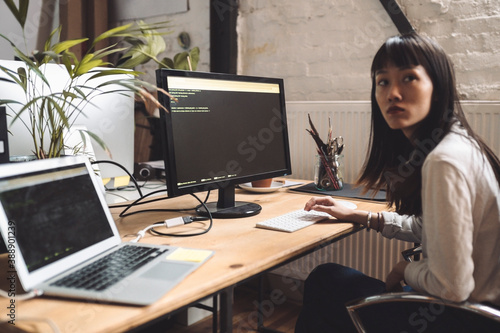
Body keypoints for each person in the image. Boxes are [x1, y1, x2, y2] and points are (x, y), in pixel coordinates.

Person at [295, 32, 500, 332]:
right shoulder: (458, 143)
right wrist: (363, 215)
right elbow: (432, 229)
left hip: (463, 318)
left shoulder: (444, 161)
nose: (392, 93)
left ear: (438, 89)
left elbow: (452, 287)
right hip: (473, 311)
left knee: (325, 281)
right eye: (383, 81)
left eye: (408, 79)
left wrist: (406, 268)